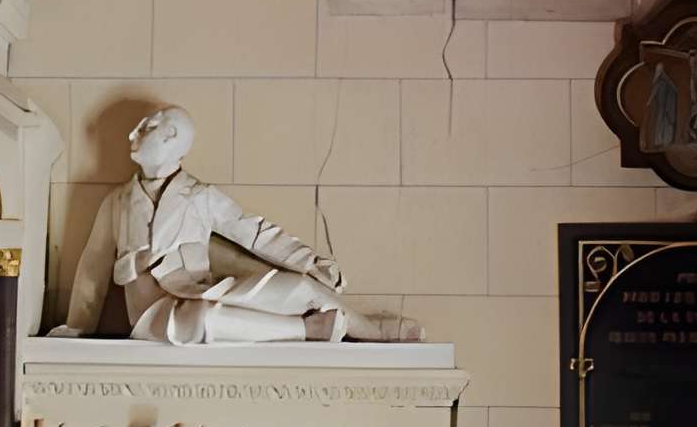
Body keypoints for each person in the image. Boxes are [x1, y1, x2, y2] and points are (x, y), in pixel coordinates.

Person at [55, 106, 424, 345]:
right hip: (153, 316)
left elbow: (254, 231)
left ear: (169, 139)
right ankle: (309, 330)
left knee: (296, 287)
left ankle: (368, 328)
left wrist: (310, 262)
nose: (133, 134)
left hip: (199, 289)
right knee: (203, 321)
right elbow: (93, 266)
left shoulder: (198, 195)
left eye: (146, 127)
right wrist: (78, 326)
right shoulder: (116, 203)